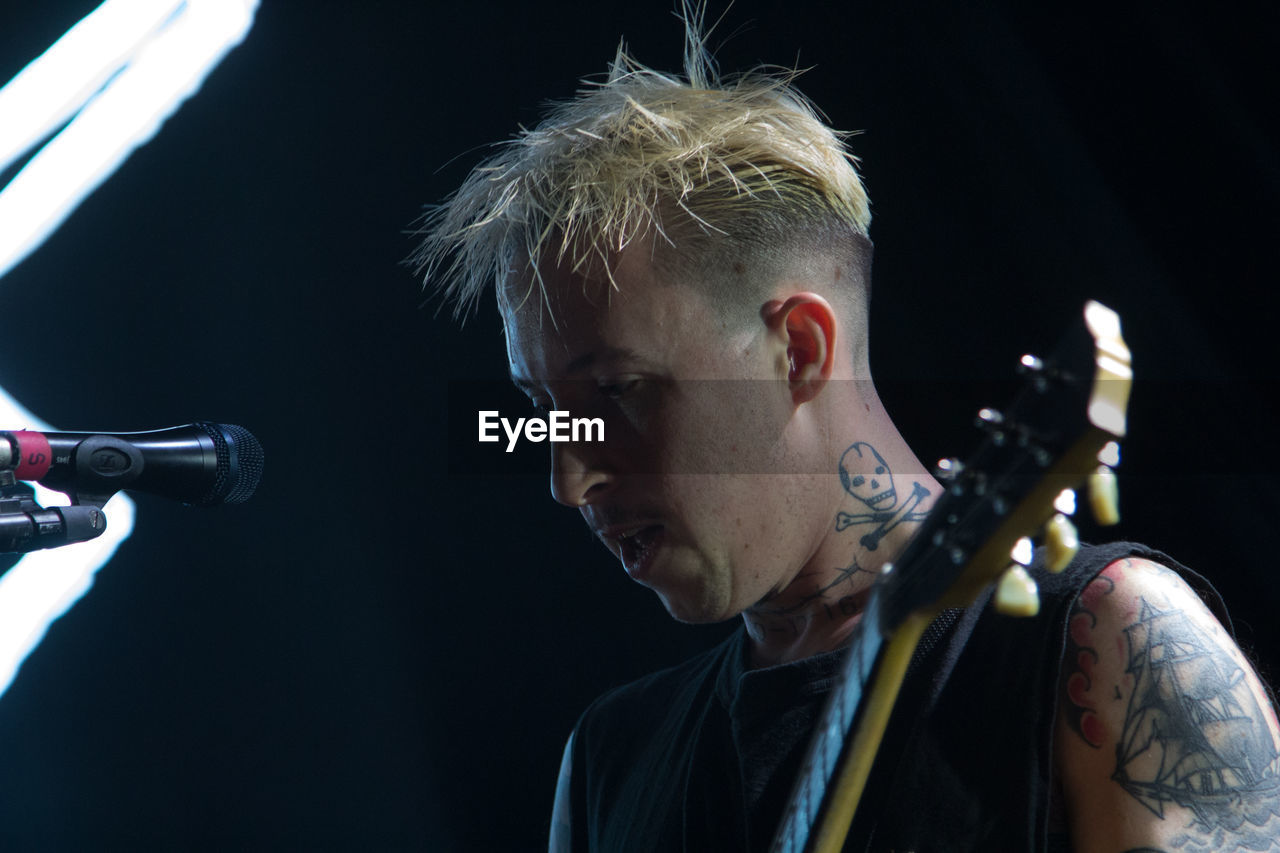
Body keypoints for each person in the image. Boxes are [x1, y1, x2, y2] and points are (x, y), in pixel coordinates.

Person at [412, 15, 1280, 852]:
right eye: (542, 406)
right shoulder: (609, 759)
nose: (568, 477)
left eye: (616, 389)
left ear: (798, 349)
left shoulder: (1107, 638)